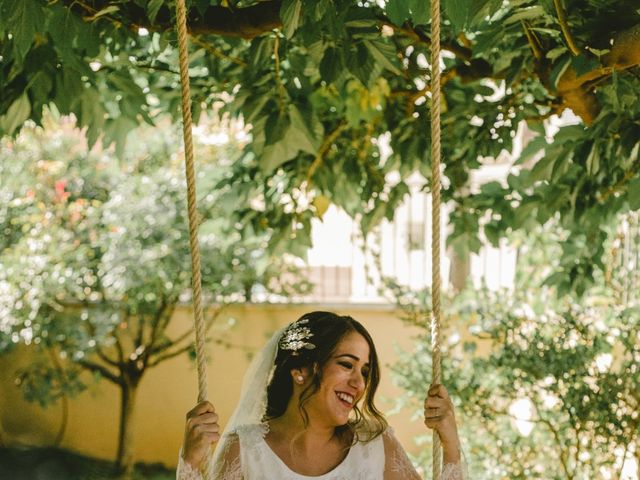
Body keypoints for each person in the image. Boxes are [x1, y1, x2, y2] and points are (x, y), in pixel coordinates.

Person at [177, 311, 465, 480]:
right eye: (346, 365)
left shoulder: (375, 445)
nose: (359, 383)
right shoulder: (246, 451)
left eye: (364, 371)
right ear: (300, 369)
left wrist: (450, 443)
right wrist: (191, 461)